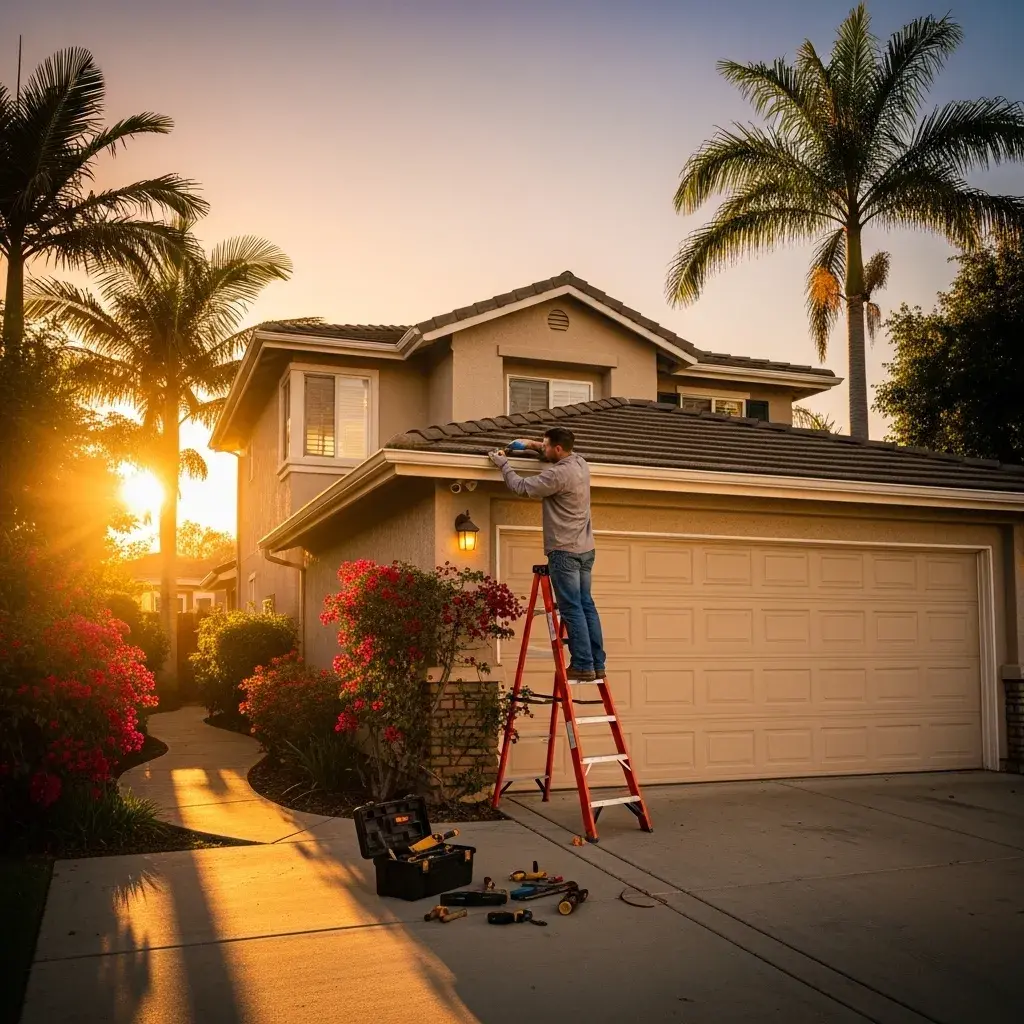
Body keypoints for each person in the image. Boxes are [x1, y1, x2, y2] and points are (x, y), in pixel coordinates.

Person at [489, 427, 606, 681]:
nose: (543, 448)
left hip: (564, 552)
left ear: (558, 449)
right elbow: (548, 452)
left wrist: (503, 464)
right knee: (586, 605)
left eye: (546, 445)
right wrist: (530, 445)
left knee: (572, 608)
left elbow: (521, 486)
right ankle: (597, 663)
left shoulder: (556, 475)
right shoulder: (580, 463)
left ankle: (583, 665)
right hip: (586, 550)